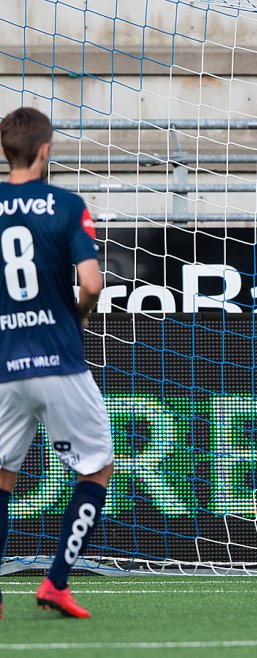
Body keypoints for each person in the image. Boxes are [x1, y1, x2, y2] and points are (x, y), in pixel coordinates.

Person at [0, 107, 111, 619]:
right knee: (96, 468)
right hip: (60, 358)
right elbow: (91, 283)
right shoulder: (66, 205)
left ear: (5, 153)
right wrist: (79, 316)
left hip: (5, 365)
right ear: (46, 151)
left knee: (2, 477)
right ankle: (56, 582)